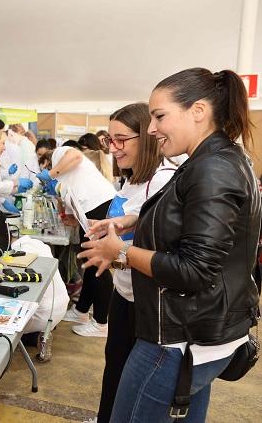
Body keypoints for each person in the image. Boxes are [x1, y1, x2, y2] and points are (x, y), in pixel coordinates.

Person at [80, 68, 260, 422]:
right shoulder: (213, 160)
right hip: (195, 334)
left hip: (177, 337)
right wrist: (134, 220)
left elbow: (195, 269)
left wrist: (120, 252)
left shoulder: (212, 168)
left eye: (160, 116)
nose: (151, 128)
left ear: (198, 111)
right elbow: (190, 221)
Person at [92, 103, 176, 423]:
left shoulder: (163, 180)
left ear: (147, 137)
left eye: (120, 139)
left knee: (134, 383)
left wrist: (118, 251)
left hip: (145, 301)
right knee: (114, 368)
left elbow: (164, 239)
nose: (113, 148)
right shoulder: (131, 180)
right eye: (109, 140)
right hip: (124, 292)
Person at [38, 137, 115, 337]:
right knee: (87, 261)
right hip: (89, 209)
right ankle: (81, 311)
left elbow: (75, 154)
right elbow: (63, 195)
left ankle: (101, 323)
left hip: (99, 204)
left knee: (97, 263)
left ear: (47, 161)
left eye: (44, 167)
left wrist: (50, 174)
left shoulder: (60, 155)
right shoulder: (63, 174)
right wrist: (66, 213)